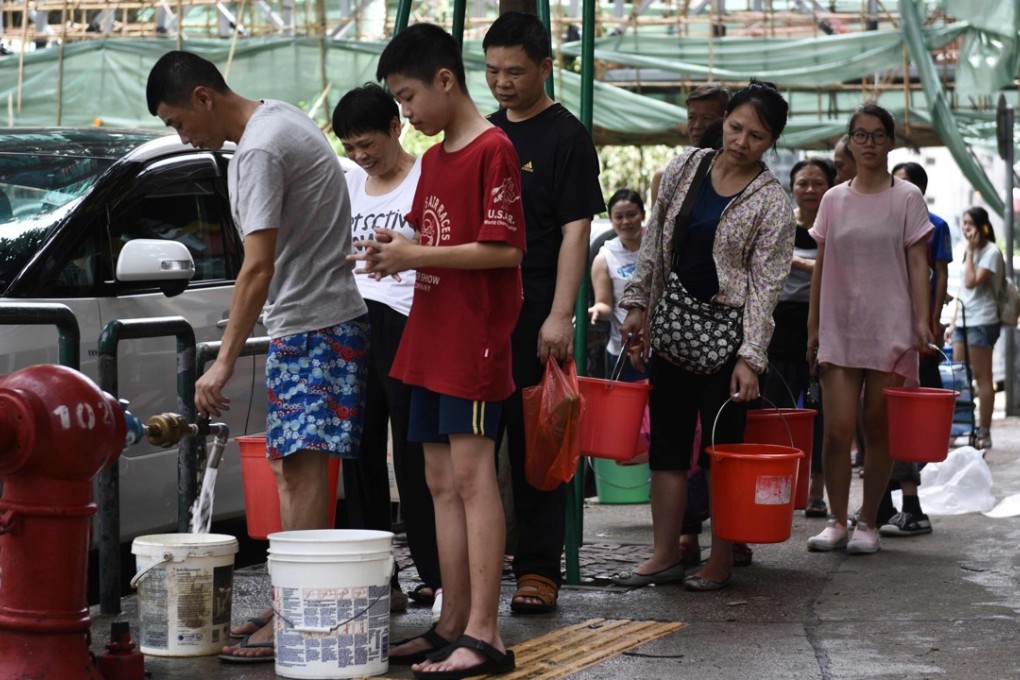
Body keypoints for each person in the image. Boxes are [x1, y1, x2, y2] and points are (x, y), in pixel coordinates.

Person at [146, 51, 370, 662]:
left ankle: (298, 613)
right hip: (315, 322)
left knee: (300, 470)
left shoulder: (262, 147)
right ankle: (288, 602)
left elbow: (258, 264)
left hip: (316, 325)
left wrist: (223, 361)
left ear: (203, 97)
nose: (181, 136)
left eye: (176, 122)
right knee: (291, 468)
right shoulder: (280, 122)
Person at [355, 22, 525, 679]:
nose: (406, 113)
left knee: (473, 479)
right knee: (435, 481)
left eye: (407, 98)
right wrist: (393, 252)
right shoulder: (433, 159)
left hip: (472, 340)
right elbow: (433, 236)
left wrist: (415, 252)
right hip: (427, 334)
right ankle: (452, 622)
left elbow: (504, 249)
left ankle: (486, 634)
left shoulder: (493, 149)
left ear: (445, 81)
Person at [613, 81, 795, 592]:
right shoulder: (685, 167)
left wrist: (751, 358)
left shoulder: (772, 203)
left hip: (728, 345)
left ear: (771, 141)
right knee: (667, 450)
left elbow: (766, 287)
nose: (741, 141)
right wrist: (636, 304)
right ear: (725, 120)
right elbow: (653, 244)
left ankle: (720, 559)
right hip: (672, 331)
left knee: (723, 457)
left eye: (756, 136)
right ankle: (664, 554)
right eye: (736, 127)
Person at [482, 11, 605, 615]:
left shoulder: (566, 137)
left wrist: (561, 315)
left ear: (546, 68)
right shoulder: (483, 133)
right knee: (477, 444)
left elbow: (576, 232)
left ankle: (538, 570)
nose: (502, 83)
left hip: (536, 311)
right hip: (481, 313)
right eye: (492, 71)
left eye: (515, 72)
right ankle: (475, 567)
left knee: (539, 442)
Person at [332, 83, 442, 609]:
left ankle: (435, 571)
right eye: (351, 147)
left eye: (367, 144)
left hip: (407, 319)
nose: (360, 156)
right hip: (354, 321)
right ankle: (379, 579)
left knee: (416, 453)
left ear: (396, 128)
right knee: (360, 454)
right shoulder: (352, 183)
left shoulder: (427, 177)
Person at [806, 104, 933, 556]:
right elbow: (822, 265)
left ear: (891, 142)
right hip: (840, 325)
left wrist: (922, 322)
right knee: (838, 429)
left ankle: (868, 523)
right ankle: (837, 520)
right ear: (849, 142)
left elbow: (918, 263)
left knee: (878, 428)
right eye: (860, 136)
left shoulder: (906, 198)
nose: (869, 144)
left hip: (890, 324)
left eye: (878, 136)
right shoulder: (833, 199)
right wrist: (813, 325)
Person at [868, 161, 952, 536]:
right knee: (873, 422)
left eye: (901, 184)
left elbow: (935, 274)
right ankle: (882, 506)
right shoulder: (876, 216)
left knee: (899, 420)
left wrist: (929, 325)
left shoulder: (931, 225)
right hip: (875, 333)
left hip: (908, 336)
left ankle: (910, 506)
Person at [761, 157, 836, 519]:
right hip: (778, 330)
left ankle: (817, 494)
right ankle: (778, 488)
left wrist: (805, 264)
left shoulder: (836, 225)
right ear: (792, 187)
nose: (809, 189)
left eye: (817, 183)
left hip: (822, 328)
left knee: (819, 414)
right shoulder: (780, 224)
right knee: (776, 412)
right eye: (803, 183)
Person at [946, 206, 1001, 452]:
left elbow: (971, 281)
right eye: (964, 223)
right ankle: (962, 427)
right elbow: (963, 290)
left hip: (983, 321)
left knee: (982, 377)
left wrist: (970, 250)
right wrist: (953, 321)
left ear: (982, 226)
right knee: (960, 377)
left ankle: (984, 430)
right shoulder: (965, 251)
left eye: (971, 224)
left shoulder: (990, 252)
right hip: (965, 319)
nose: (966, 228)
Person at [588, 188, 647, 382]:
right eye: (619, 217)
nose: (626, 221)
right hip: (625, 349)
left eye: (631, 215)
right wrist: (596, 310)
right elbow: (605, 304)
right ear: (611, 220)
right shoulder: (605, 256)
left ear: (643, 215)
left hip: (660, 347)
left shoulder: (656, 250)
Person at [650, 83, 730, 204]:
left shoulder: (737, 176)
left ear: (726, 121)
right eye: (691, 117)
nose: (697, 126)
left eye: (706, 118)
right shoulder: (667, 177)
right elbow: (658, 222)